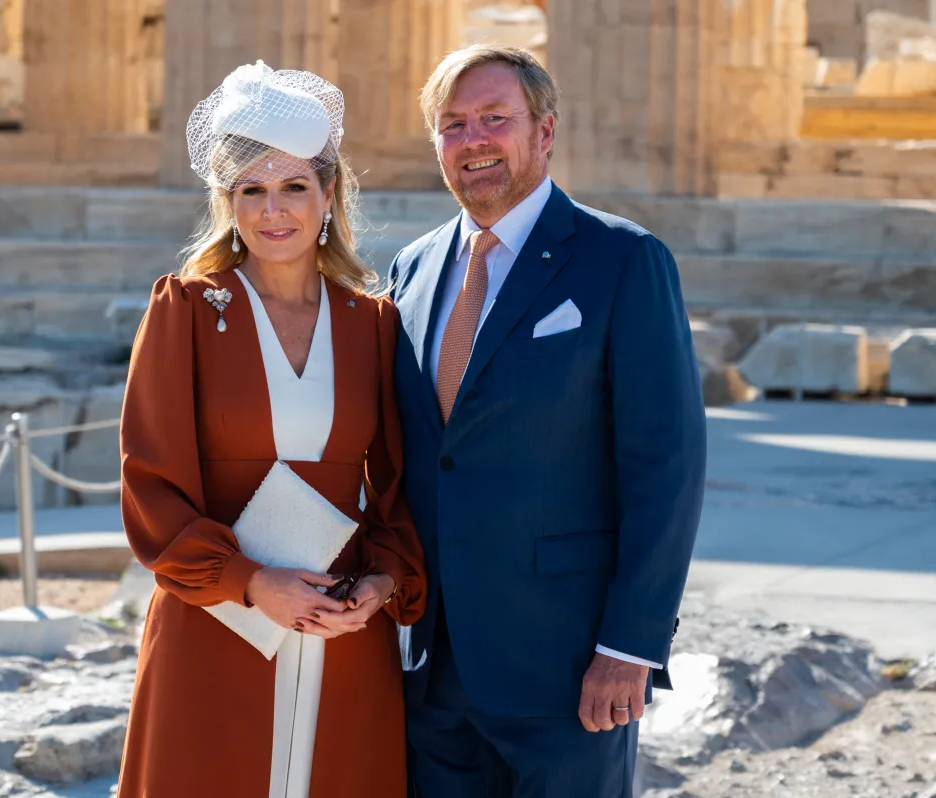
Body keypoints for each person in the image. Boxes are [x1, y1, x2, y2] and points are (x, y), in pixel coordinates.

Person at [388, 45, 708, 797]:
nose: (473, 142)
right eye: (453, 125)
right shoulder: (411, 268)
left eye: (495, 119)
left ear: (545, 131)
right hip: (431, 673)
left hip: (568, 671)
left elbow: (666, 466)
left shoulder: (624, 260)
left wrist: (629, 646)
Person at [116, 61, 426, 798]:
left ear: (329, 195)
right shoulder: (186, 310)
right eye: (251, 189)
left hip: (341, 630)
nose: (273, 210)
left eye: (294, 187)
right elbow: (149, 483)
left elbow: (398, 486)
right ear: (227, 202)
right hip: (215, 623)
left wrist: (383, 584)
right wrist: (252, 584)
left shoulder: (373, 323)